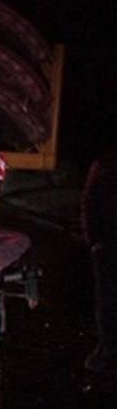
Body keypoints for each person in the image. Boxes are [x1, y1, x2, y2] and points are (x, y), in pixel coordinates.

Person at [81, 147, 117, 385]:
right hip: (108, 244)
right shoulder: (106, 162)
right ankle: (107, 347)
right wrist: (94, 240)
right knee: (107, 300)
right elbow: (91, 200)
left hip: (106, 242)